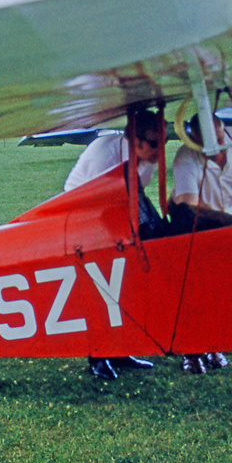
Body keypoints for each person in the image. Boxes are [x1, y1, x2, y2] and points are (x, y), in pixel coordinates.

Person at [64, 109, 161, 380]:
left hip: (116, 212)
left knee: (127, 280)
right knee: (101, 284)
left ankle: (120, 349)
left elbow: (135, 196)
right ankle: (97, 355)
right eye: (155, 144)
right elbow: (92, 201)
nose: (160, 150)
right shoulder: (105, 155)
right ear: (136, 140)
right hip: (81, 215)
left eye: (163, 143)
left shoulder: (145, 159)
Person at [169, 113, 232, 374]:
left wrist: (231, 218)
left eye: (217, 139)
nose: (214, 149)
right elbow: (188, 206)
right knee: (195, 289)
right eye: (206, 143)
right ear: (194, 141)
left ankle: (215, 344)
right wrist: (228, 220)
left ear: (223, 130)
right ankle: (191, 352)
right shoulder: (185, 158)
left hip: (227, 224)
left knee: (224, 288)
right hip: (196, 225)